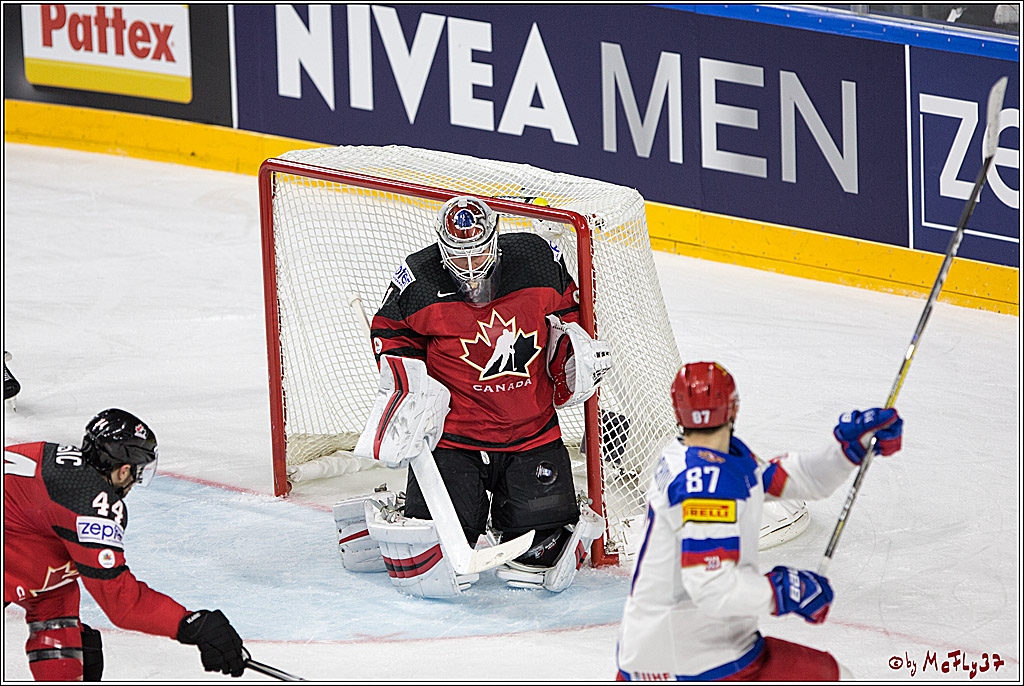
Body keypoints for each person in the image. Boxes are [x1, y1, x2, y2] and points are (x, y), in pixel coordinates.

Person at [334, 195, 611, 597]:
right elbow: (390, 332)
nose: (468, 268)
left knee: (541, 556)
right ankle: (402, 509)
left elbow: (571, 310)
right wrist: (409, 385)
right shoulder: (419, 278)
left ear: (495, 242)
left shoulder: (536, 261)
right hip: (455, 438)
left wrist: (572, 352)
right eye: (457, 258)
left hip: (531, 430)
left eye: (478, 255)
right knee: (439, 555)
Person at [615, 362, 903, 680]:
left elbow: (792, 478)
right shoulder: (707, 486)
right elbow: (712, 587)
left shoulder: (702, 456)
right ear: (734, 407)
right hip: (689, 661)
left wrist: (847, 452)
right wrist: (782, 590)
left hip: (693, 646)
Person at [4, 408, 248, 681]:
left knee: (58, 602)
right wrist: (191, 624)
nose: (135, 481)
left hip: (22, 548)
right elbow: (122, 604)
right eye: (138, 472)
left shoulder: (54, 460)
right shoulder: (92, 503)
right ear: (122, 471)